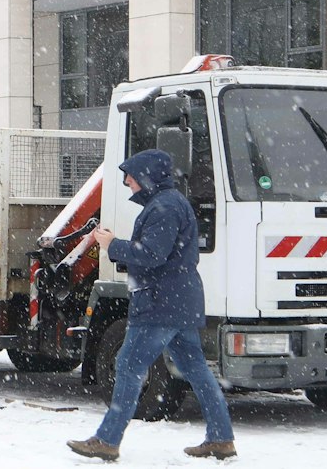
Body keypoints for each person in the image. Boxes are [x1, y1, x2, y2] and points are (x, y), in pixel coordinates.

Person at [70, 149, 235, 462]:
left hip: (160, 302)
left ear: (147, 175)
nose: (128, 182)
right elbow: (160, 252)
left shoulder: (163, 207)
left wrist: (112, 245)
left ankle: (107, 440)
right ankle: (221, 438)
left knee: (129, 366)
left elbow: (152, 255)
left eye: (131, 175)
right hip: (180, 301)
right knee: (196, 370)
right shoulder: (169, 203)